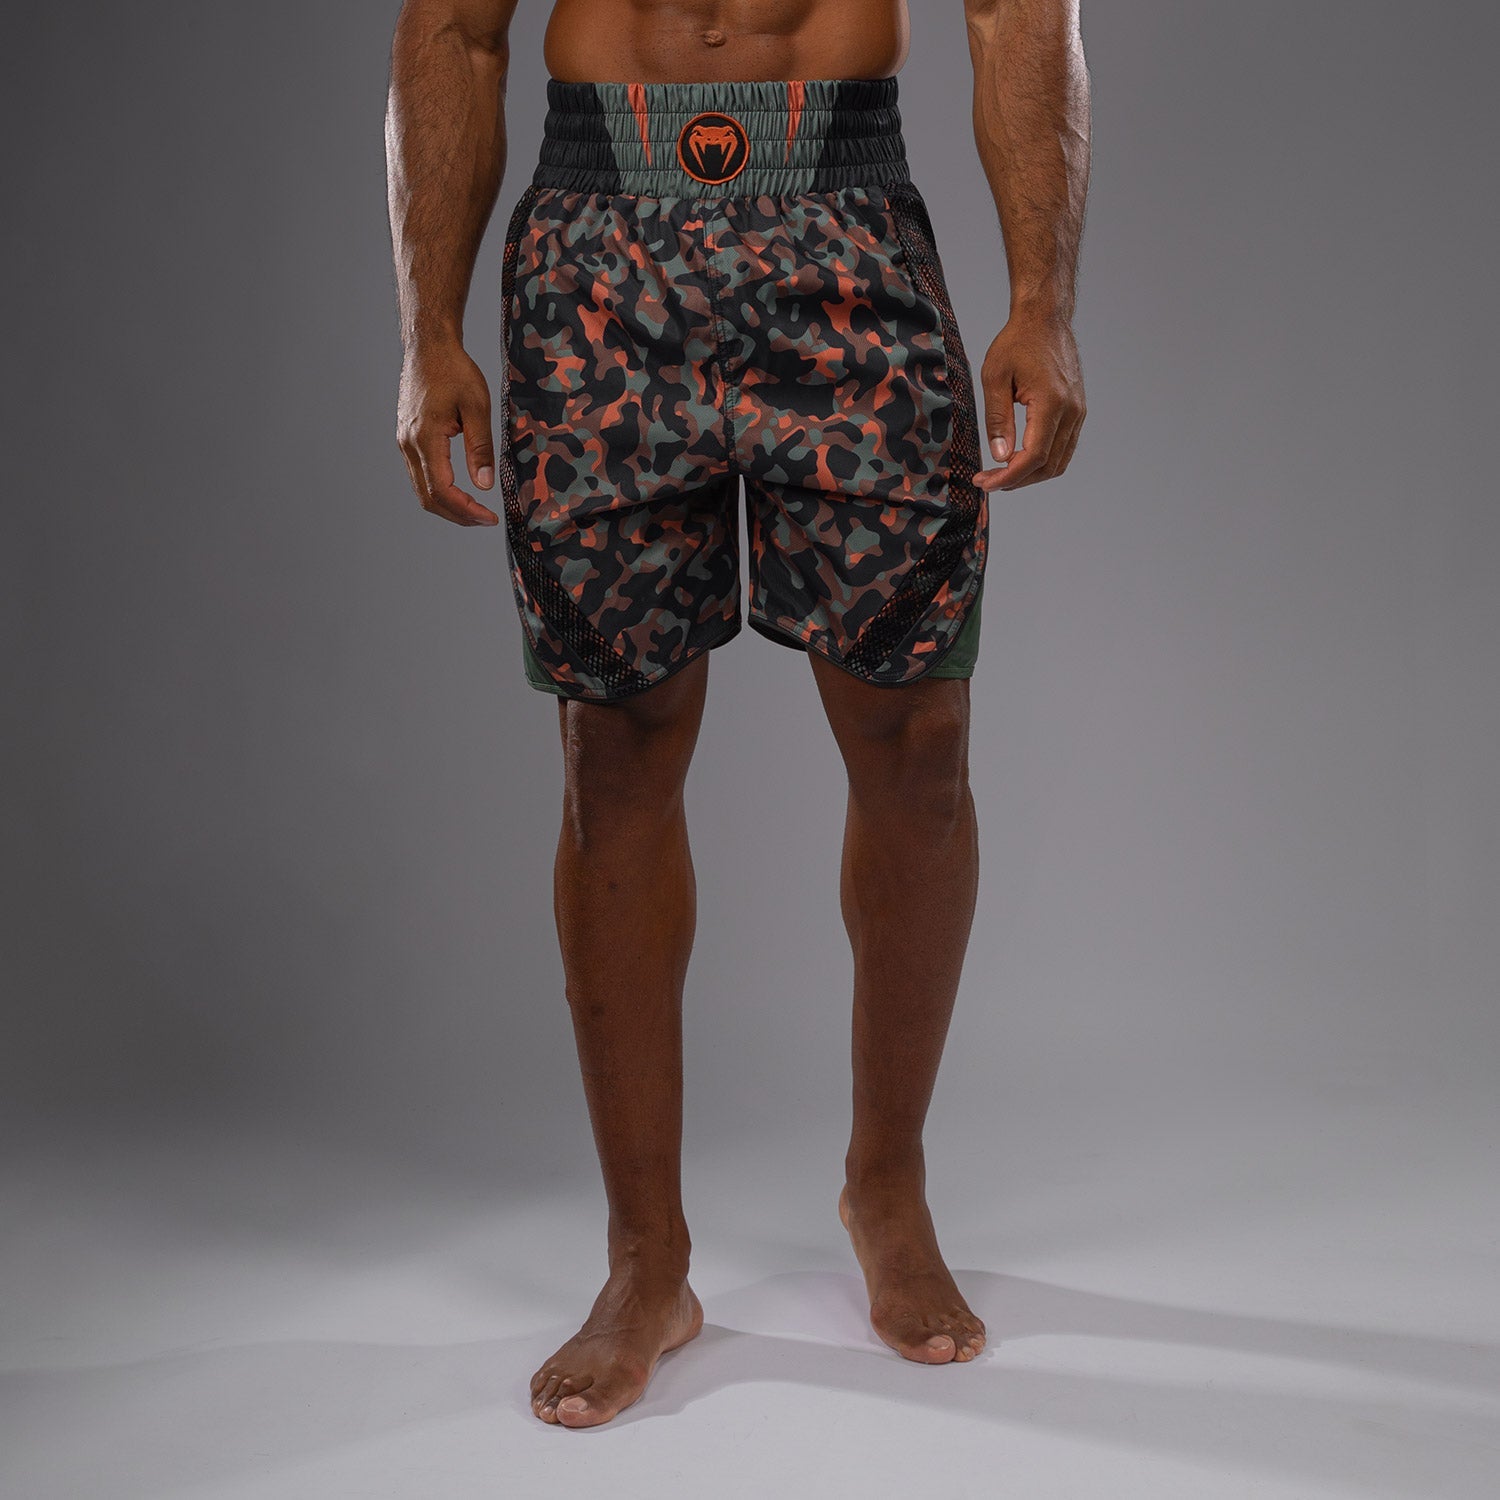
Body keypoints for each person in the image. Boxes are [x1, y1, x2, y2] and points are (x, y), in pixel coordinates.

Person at [386, 0, 1089, 1428]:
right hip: (601, 231)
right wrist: (425, 330)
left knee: (918, 744)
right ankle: (646, 1259)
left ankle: (887, 1185)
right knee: (615, 751)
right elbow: (453, 27)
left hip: (846, 221)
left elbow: (1019, 7)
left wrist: (1045, 300)